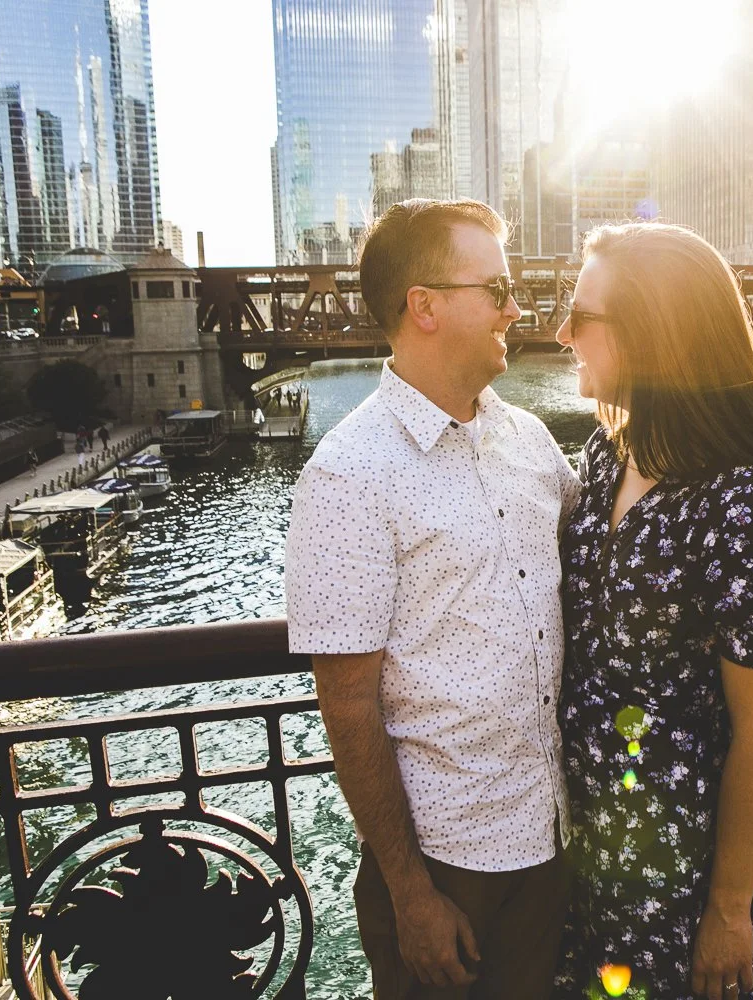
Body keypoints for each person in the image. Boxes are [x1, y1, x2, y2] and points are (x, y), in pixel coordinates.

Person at [285, 199, 581, 1000]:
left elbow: (608, 552)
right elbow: (346, 705)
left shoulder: (531, 441)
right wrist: (411, 896)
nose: (517, 308)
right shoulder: (348, 476)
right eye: (498, 287)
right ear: (426, 305)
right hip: (448, 866)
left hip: (552, 837)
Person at [551, 223, 753, 1000]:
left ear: (652, 333)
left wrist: (730, 912)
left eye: (582, 315)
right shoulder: (609, 454)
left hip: (681, 883)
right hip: (589, 858)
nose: (561, 332)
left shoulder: (746, 506)